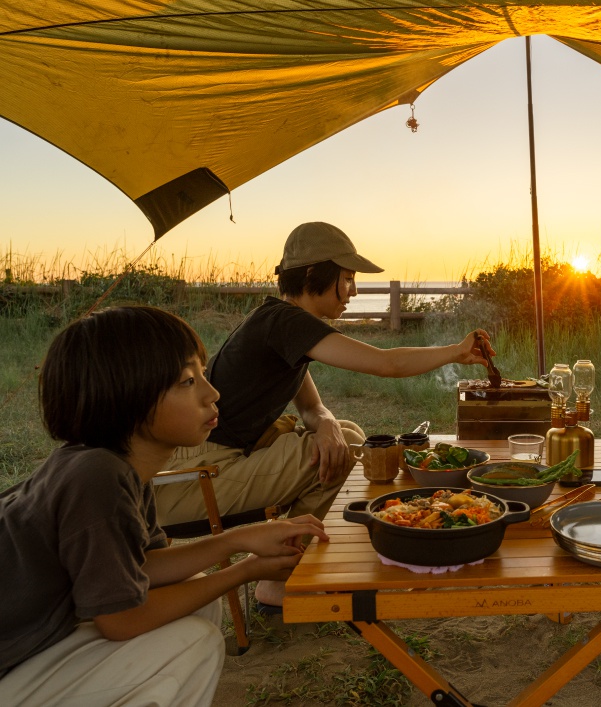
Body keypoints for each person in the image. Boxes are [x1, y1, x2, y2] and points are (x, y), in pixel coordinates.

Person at [154, 221, 494, 609]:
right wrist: (456, 351)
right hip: (188, 479)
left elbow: (313, 407)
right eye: (347, 279)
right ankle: (278, 578)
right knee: (346, 446)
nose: (354, 291)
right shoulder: (283, 322)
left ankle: (281, 571)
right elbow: (385, 363)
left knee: (344, 432)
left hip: (215, 462)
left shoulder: (279, 322)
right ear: (315, 275)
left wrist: (328, 424)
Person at [0, 306, 329, 706]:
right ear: (128, 397)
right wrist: (246, 569)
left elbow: (142, 569)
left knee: (195, 603)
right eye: (188, 381)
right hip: (11, 662)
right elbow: (122, 620)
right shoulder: (96, 477)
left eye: (203, 375)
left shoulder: (113, 467)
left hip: (29, 642)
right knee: (193, 641)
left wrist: (239, 540)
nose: (213, 393)